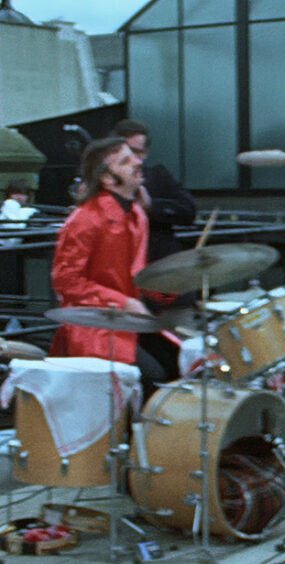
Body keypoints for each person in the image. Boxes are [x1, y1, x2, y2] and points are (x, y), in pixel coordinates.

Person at [49, 137, 166, 395]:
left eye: (134, 156)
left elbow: (137, 274)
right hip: (95, 330)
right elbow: (66, 281)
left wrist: (174, 290)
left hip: (127, 322)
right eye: (126, 161)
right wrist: (123, 303)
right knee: (153, 379)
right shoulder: (85, 219)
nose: (137, 162)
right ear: (107, 178)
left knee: (181, 363)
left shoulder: (136, 214)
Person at [111, 119, 198, 384]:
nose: (133, 161)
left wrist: (152, 206)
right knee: (142, 368)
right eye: (126, 153)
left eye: (138, 153)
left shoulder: (157, 176)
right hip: (129, 290)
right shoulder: (107, 188)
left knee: (182, 355)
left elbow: (188, 211)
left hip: (166, 284)